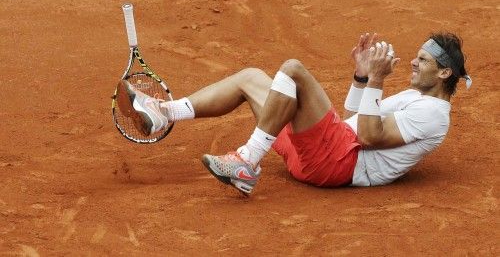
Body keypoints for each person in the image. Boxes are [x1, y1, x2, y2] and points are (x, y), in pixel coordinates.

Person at [115, 32, 471, 195]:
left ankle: (248, 160)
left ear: (443, 74)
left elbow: (368, 136)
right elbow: (352, 118)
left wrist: (378, 80)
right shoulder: (417, 97)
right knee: (252, 78)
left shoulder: (435, 115)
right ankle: (164, 113)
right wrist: (363, 77)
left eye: (423, 60)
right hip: (323, 151)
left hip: (338, 164)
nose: (413, 60)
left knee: (294, 70)